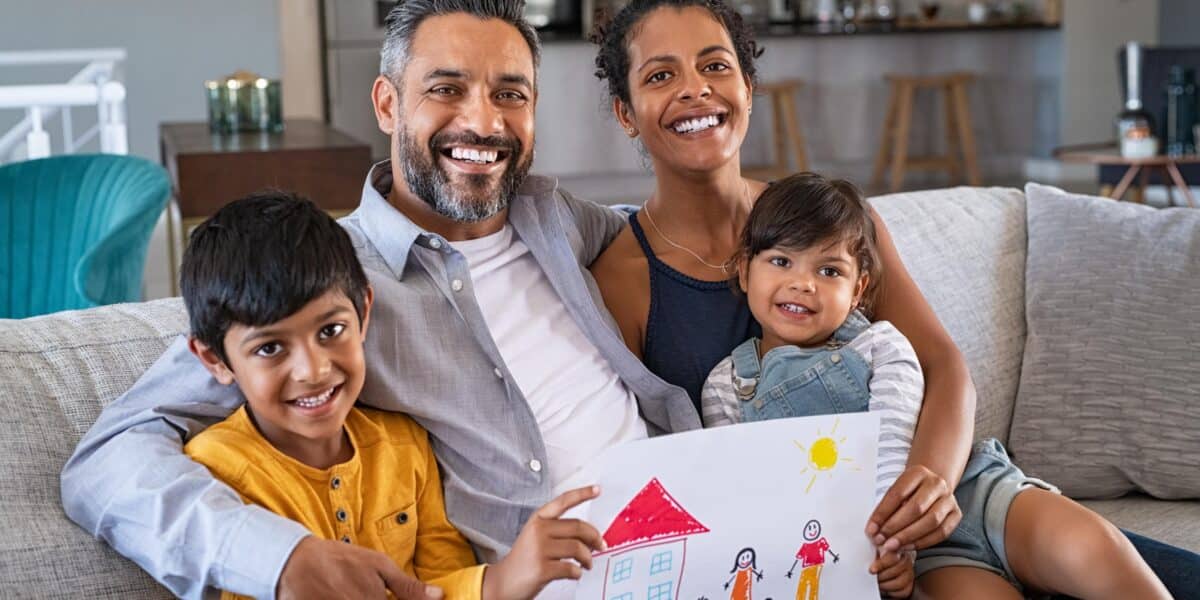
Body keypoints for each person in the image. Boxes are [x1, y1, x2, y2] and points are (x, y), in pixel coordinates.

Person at [60, 2, 692, 599]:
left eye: (510, 94)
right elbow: (107, 461)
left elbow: (676, 238)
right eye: (446, 89)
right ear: (388, 104)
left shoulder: (557, 217)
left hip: (690, 538)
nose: (483, 122)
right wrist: (280, 558)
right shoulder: (324, 285)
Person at [586, 1, 1200, 597]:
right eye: (661, 75)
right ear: (626, 112)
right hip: (842, 550)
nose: (695, 88)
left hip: (959, 492)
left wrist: (928, 482)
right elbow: (650, 474)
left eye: (715, 65)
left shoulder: (834, 221)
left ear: (749, 87)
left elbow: (942, 366)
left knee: (1142, 566)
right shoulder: (623, 277)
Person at [700, 172, 1171, 600]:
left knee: (1091, 547)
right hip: (917, 555)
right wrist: (882, 557)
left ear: (859, 289)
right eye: (781, 261)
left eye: (829, 271)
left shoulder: (882, 346)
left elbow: (891, 443)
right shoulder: (727, 386)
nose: (803, 284)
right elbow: (753, 495)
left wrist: (889, 536)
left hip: (974, 491)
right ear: (744, 270)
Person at [176, 191, 606, 600]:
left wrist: (505, 578)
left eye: (331, 331)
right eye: (270, 348)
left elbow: (438, 582)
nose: (314, 370)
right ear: (214, 358)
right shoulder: (215, 472)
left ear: (364, 312)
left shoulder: (405, 446)